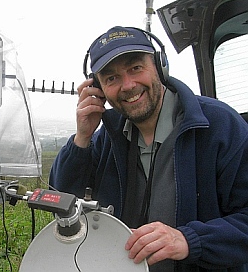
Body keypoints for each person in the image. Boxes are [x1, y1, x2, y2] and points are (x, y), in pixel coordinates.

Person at [49, 26, 248, 271]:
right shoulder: (106, 138)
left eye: (135, 68)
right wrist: (82, 138)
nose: (128, 85)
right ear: (98, 89)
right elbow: (61, 201)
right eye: (111, 78)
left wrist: (189, 240)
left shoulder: (220, 126)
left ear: (160, 67)